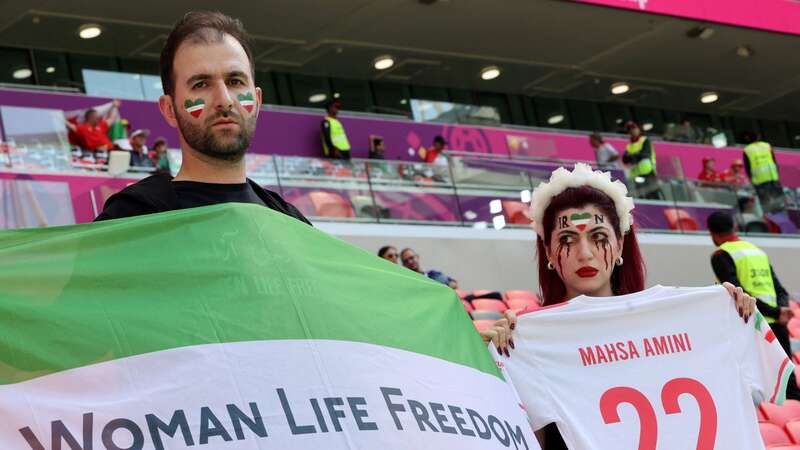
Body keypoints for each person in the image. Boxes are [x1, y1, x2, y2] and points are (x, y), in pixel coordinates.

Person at [479, 163, 756, 449]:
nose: (584, 254)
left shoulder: (677, 319)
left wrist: (729, 316)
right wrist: (487, 364)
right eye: (567, 240)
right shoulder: (526, 338)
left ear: (620, 243)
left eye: (598, 237)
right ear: (548, 250)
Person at [95, 11, 308, 225]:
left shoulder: (291, 223)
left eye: (235, 81)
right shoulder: (134, 217)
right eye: (201, 84)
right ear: (169, 110)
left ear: (258, 100)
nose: (224, 100)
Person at [707, 211, 799, 400]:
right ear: (734, 227)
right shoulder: (757, 251)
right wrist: (780, 311)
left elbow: (739, 293)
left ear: (712, 234)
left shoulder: (721, 254)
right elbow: (779, 288)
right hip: (777, 326)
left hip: (752, 325)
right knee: (788, 385)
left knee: (757, 388)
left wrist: (774, 312)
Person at [741, 131, 783, 213]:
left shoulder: (747, 150)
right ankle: (780, 214)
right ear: (758, 137)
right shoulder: (767, 145)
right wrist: (777, 173)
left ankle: (770, 217)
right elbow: (774, 160)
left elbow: (747, 166)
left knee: (765, 202)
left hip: (759, 180)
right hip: (773, 176)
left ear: (748, 139)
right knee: (778, 200)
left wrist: (751, 178)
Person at [621, 121, 661, 200]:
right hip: (637, 175)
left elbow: (645, 154)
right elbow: (624, 159)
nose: (632, 130)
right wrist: (635, 155)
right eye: (630, 129)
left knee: (653, 195)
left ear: (639, 129)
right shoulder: (629, 145)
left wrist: (632, 156)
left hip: (648, 173)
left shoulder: (645, 140)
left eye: (634, 128)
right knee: (642, 196)